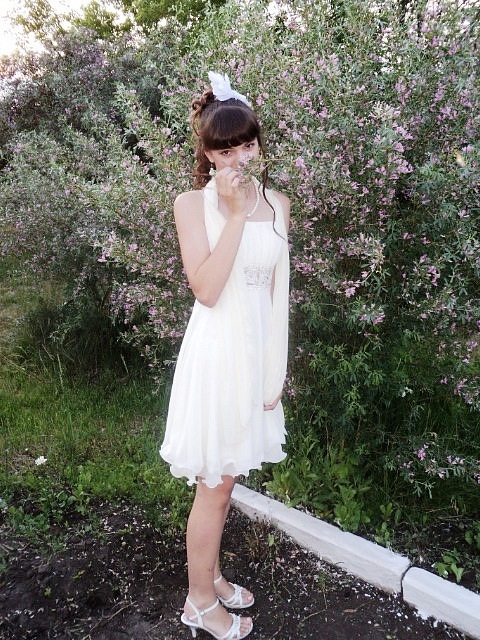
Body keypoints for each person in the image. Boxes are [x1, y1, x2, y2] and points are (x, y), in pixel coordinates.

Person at [160, 71, 290, 640]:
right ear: (208, 153)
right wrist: (235, 214)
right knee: (213, 487)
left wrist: (274, 372)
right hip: (216, 359)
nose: (239, 159)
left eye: (247, 145)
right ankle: (198, 603)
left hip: (254, 359)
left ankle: (210, 578)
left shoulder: (278, 203)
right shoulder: (193, 205)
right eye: (226, 149)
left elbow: (278, 296)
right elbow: (208, 290)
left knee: (228, 481)